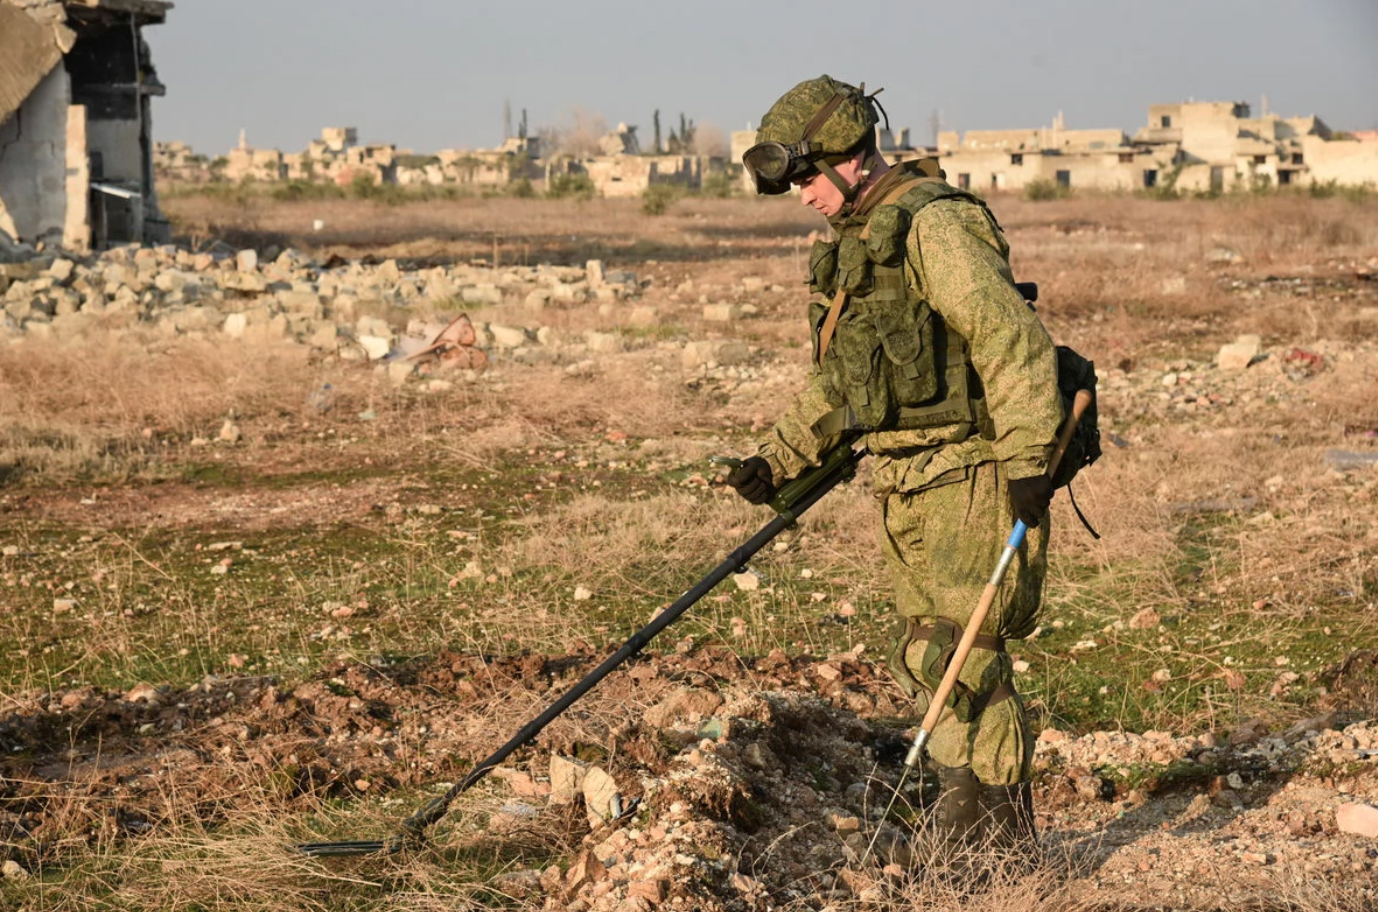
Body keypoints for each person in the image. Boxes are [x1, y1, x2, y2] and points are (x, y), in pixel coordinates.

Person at [727, 75, 1064, 858]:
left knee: (962, 653)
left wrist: (1026, 464)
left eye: (809, 176)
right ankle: (969, 829)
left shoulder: (935, 226)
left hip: (967, 473)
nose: (804, 195)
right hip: (904, 477)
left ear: (851, 156)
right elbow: (840, 379)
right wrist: (777, 459)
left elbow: (1011, 341)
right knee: (928, 648)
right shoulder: (859, 239)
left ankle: (995, 847)